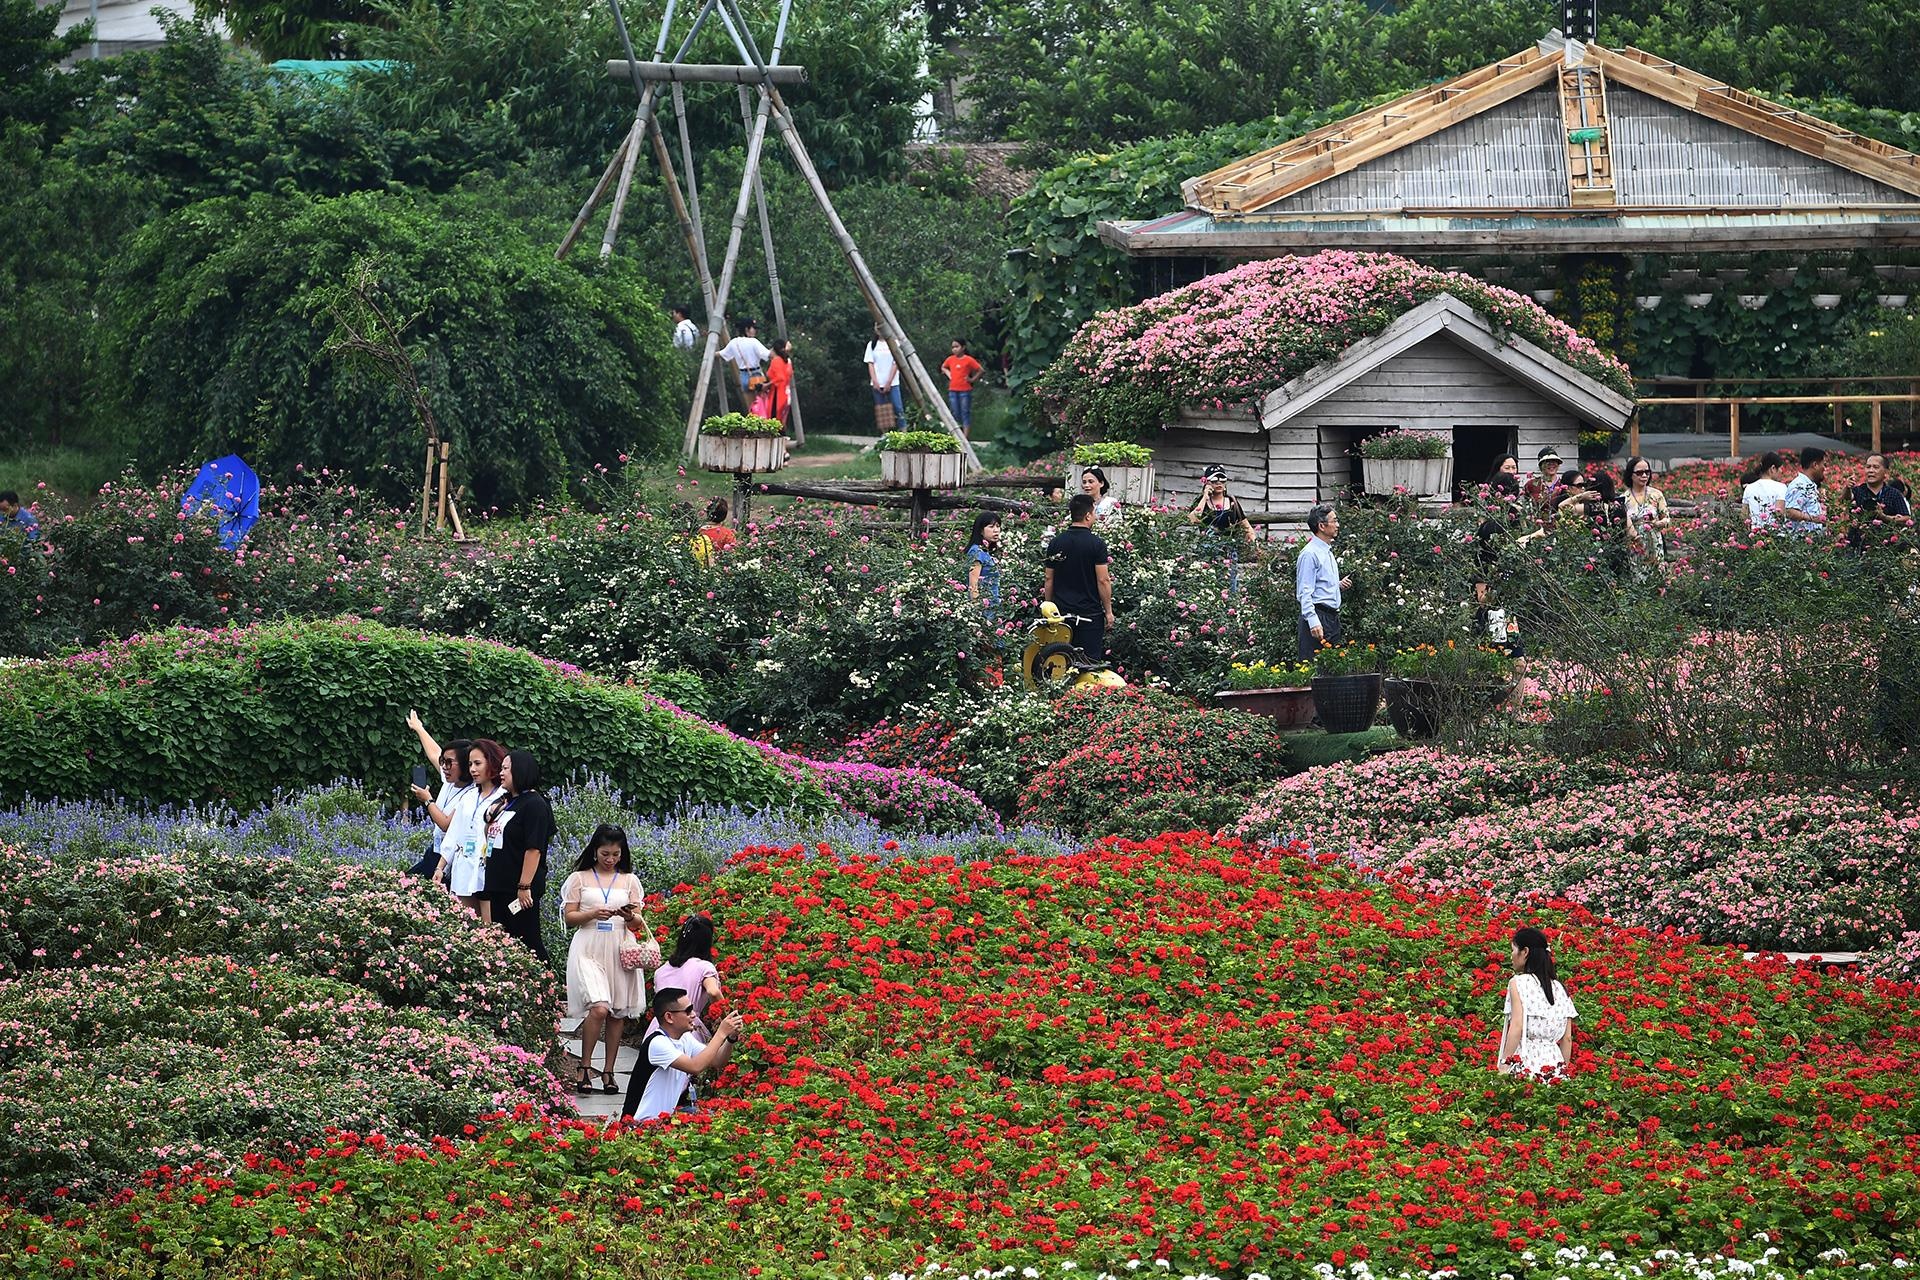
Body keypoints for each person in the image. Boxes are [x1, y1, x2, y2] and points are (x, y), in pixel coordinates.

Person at [561, 824, 648, 1096]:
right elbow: (569, 917)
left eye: (615, 854)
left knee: (617, 1012)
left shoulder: (630, 881)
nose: (610, 859)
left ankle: (609, 1071)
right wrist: (592, 914)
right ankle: (585, 1066)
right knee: (599, 1007)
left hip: (619, 947)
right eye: (605, 854)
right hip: (589, 946)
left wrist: (628, 915)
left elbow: (637, 922)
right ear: (595, 851)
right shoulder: (579, 878)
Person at [621, 987, 745, 1122]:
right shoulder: (657, 1043)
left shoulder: (685, 1038)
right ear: (669, 1017)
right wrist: (721, 1033)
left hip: (663, 1120)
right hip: (639, 1124)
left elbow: (717, 1061)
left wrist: (731, 1038)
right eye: (688, 1010)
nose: (694, 1015)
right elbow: (695, 1067)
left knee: (716, 1115)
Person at [487, 749, 554, 961]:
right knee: (504, 941)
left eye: (506, 768)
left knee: (527, 941)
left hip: (518, 888)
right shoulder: (508, 801)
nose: (501, 773)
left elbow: (534, 849)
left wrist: (524, 886)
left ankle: (544, 978)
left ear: (520, 771)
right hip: (499, 885)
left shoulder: (534, 804)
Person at [1495, 926, 1578, 1079]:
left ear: (1525, 952)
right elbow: (1567, 1038)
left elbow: (1517, 1027)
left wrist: (1504, 1065)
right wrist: (1563, 1071)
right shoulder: (1560, 988)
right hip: (1555, 1065)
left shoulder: (1518, 983)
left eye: (1513, 950)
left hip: (1526, 1062)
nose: (1511, 956)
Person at [1042, 493, 1114, 660]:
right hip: (1089, 614)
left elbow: (1049, 579)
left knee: (1060, 660)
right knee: (1088, 663)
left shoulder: (1056, 542)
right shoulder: (1096, 544)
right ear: (1088, 515)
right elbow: (1103, 580)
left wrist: (1049, 608)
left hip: (1061, 614)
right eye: (1094, 512)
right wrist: (1108, 612)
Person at [443, 737, 505, 923]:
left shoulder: (504, 797)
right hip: (463, 868)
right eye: (470, 764)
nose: (472, 769)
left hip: (487, 870)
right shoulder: (469, 796)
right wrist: (440, 867)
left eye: (478, 763)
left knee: (489, 926)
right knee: (465, 924)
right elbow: (454, 833)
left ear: (491, 763)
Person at [404, 709, 471, 879]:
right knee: (404, 883)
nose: (444, 767)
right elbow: (434, 753)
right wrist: (419, 728)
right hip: (435, 850)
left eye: (449, 763)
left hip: (449, 860)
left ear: (465, 764)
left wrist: (428, 801)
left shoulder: (471, 793)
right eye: (443, 762)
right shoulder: (450, 780)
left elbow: (447, 825)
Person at [651, 914, 724, 1042]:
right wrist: (726, 1017)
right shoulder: (704, 967)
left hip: (658, 1027)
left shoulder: (661, 971)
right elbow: (713, 991)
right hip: (686, 1028)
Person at [1187, 464, 1258, 593]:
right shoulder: (1201, 502)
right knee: (1207, 586)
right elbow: (1192, 519)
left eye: (1222, 480)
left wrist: (1254, 543)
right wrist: (1205, 497)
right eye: (1214, 481)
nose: (1219, 483)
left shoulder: (1232, 502)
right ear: (1207, 482)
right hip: (1208, 550)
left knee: (1229, 586)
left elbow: (1246, 526)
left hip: (1228, 550)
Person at [1295, 503, 1351, 659]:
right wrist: (1313, 621)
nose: (1338, 525)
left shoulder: (1327, 551)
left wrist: (1338, 586)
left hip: (1331, 618)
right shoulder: (1310, 554)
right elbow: (1304, 592)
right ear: (1321, 526)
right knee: (1312, 667)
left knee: (1332, 668)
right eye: (1334, 521)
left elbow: (1320, 585)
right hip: (1317, 617)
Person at [1619, 455, 1671, 566]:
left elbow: (1667, 519)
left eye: (1647, 472)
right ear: (1631, 475)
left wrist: (1659, 523)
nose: (1644, 476)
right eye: (1639, 473)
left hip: (1655, 545)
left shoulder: (1656, 495)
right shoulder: (1624, 498)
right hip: (1635, 547)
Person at [1782, 447, 1830, 536]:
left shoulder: (1809, 484)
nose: (1825, 468)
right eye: (1824, 464)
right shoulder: (1799, 485)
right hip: (1801, 540)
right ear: (1815, 465)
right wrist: (1813, 518)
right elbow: (1790, 512)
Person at [719, 319, 771, 400]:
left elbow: (722, 354)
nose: (755, 331)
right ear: (747, 329)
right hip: (756, 375)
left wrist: (711, 354)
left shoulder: (734, 342)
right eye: (753, 328)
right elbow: (768, 355)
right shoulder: (753, 341)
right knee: (762, 403)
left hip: (743, 376)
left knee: (752, 405)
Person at [941, 339, 984, 435]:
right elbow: (943, 367)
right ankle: (956, 434)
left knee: (965, 412)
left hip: (965, 390)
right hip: (953, 390)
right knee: (955, 412)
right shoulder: (950, 359)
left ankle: (965, 437)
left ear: (963, 347)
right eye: (953, 347)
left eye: (957, 347)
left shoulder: (968, 360)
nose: (954, 349)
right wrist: (949, 374)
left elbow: (980, 370)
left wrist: (972, 380)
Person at [865, 325, 904, 427]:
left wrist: (889, 382)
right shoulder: (871, 345)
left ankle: (903, 431)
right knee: (881, 411)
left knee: (898, 407)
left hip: (893, 383)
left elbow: (896, 363)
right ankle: (885, 433)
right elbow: (870, 363)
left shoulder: (894, 343)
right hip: (877, 383)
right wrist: (875, 381)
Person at [965, 511, 1002, 618]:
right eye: (991, 526)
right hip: (984, 610)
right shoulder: (976, 552)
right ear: (981, 530)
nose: (996, 530)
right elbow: (973, 585)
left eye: (998, 526)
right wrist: (978, 613)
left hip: (993, 607)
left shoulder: (986, 552)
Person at [1741, 451, 1789, 530]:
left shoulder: (1749, 488)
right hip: (1776, 533)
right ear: (1773, 468)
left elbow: (1744, 516)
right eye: (1780, 468)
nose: (1781, 471)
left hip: (1756, 533)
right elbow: (1779, 514)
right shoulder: (1781, 487)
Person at [763, 338, 793, 428]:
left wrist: (767, 385)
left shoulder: (776, 361)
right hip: (786, 393)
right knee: (782, 420)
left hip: (777, 393)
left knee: (774, 420)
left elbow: (780, 378)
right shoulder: (787, 361)